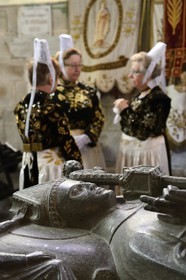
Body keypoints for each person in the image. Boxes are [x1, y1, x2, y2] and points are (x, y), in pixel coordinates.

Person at [1, 161, 186, 279]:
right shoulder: (135, 240)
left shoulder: (135, 204)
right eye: (76, 192)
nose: (90, 185)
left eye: (83, 184)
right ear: (66, 219)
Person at [14, 39, 82, 189]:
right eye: (57, 78)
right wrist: (78, 165)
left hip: (28, 162)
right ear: (52, 78)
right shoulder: (51, 108)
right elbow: (66, 141)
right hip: (50, 167)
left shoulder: (20, 105)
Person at [113, 42, 171, 180]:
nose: (130, 75)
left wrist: (125, 110)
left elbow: (142, 132)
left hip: (148, 157)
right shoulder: (139, 95)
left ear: (149, 74)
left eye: (135, 71)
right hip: (132, 154)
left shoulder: (159, 99)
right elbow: (128, 127)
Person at [53, 34, 106, 170]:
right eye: (72, 65)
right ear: (62, 66)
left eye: (79, 65)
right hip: (61, 149)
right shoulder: (52, 92)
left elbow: (98, 117)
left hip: (87, 148)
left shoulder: (89, 91)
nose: (77, 69)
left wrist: (87, 137)